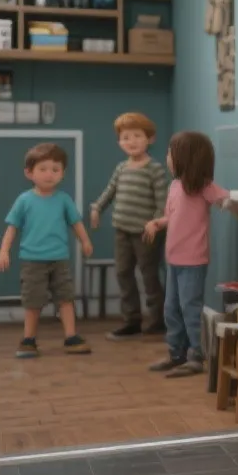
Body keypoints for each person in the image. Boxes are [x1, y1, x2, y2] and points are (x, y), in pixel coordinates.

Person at [0, 142, 93, 358]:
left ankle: (71, 336)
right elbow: (12, 228)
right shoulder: (24, 201)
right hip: (32, 260)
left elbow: (76, 223)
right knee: (33, 301)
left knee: (66, 298)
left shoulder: (64, 200)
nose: (50, 174)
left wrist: (85, 241)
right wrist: (4, 251)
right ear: (29, 172)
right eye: (43, 169)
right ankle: (28, 339)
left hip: (59, 260)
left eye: (55, 170)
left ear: (62, 173)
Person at [146, 131, 230, 378]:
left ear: (186, 157)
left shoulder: (203, 187)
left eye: (170, 154)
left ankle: (197, 355)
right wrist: (158, 223)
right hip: (173, 258)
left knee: (189, 308)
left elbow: (224, 198)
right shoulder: (174, 186)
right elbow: (172, 216)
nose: (167, 158)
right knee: (171, 308)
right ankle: (176, 353)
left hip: (193, 260)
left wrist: (228, 205)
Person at [90, 111, 170, 339]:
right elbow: (109, 191)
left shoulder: (154, 169)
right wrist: (97, 208)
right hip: (122, 231)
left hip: (146, 233)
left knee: (149, 275)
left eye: (137, 136)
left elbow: (162, 201)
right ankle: (131, 321)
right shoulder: (121, 168)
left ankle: (157, 321)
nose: (131, 141)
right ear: (119, 142)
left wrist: (155, 223)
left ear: (150, 139)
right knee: (123, 273)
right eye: (126, 137)